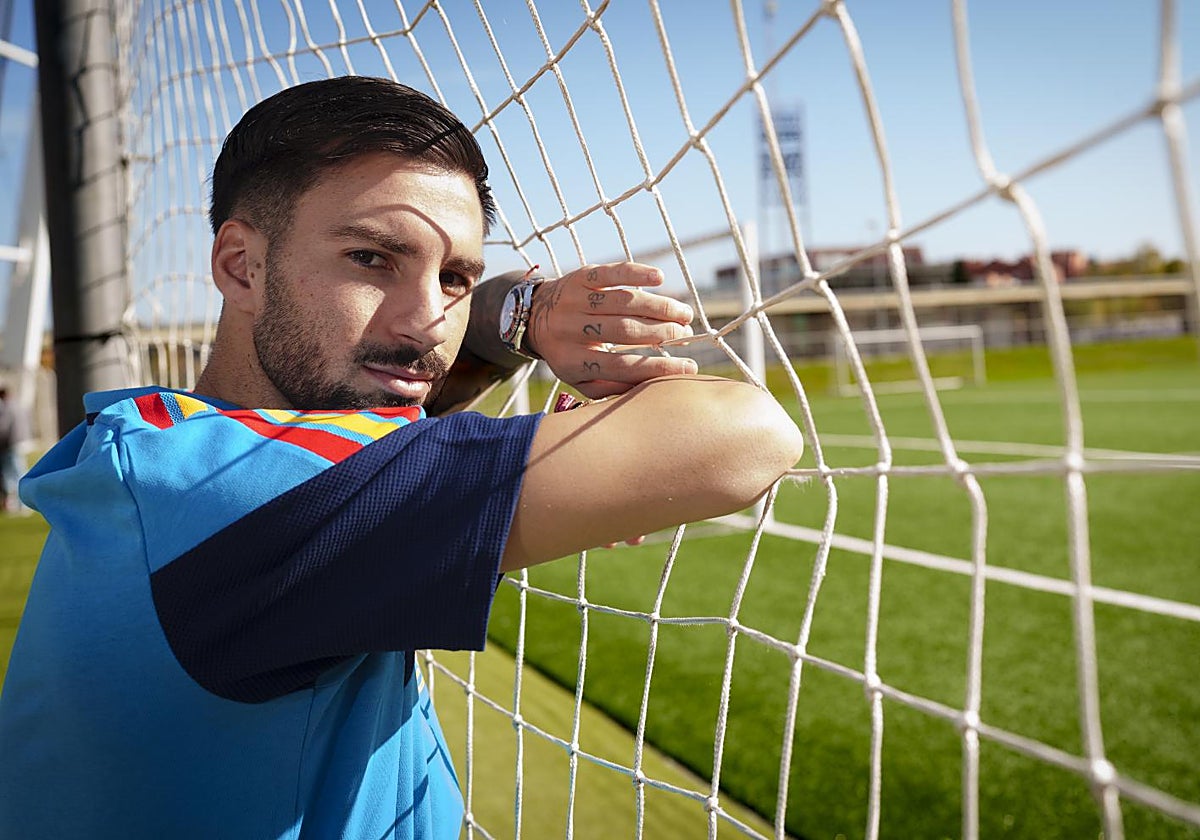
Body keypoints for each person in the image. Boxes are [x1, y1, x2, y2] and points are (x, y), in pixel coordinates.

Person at [0, 76, 802, 838]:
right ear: (240, 265)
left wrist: (518, 311)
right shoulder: (249, 494)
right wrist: (531, 322)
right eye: (372, 258)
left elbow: (380, 421)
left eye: (456, 277)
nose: (427, 320)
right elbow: (746, 436)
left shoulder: (151, 441)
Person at [0, 381, 29, 514]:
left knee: (11, 474)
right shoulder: (19, 405)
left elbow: (3, 428)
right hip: (19, 442)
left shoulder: (7, 408)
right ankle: (22, 503)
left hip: (9, 444)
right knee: (18, 472)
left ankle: (19, 504)